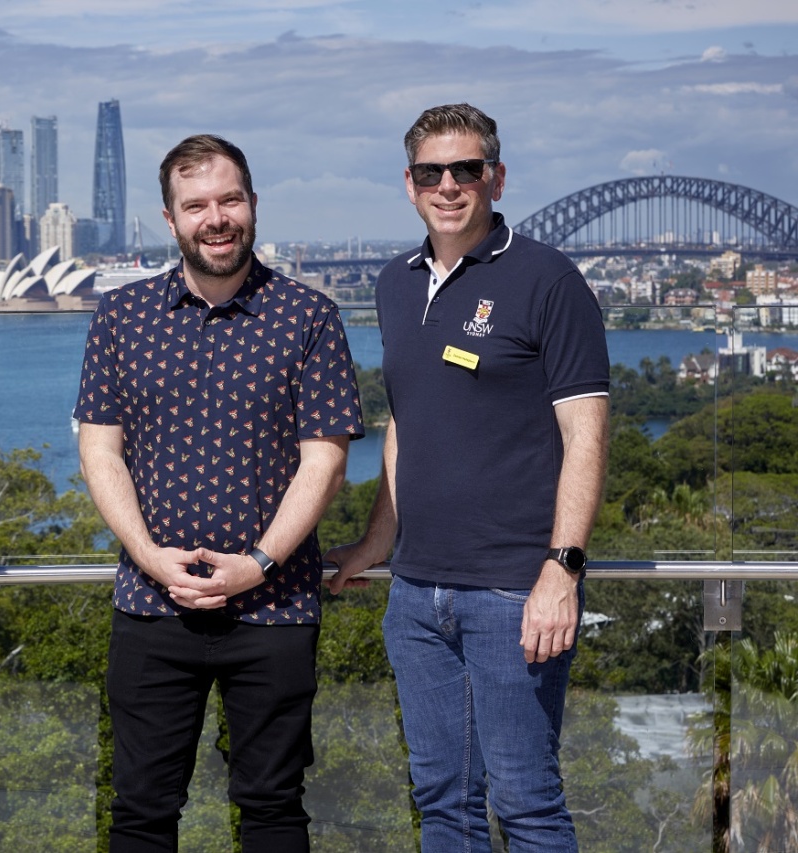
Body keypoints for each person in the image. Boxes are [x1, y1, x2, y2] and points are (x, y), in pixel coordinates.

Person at [325, 103, 610, 850]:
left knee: (526, 802)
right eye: (431, 172)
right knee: (442, 801)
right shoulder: (394, 283)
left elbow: (585, 434)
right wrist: (375, 544)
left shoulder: (548, 279)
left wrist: (562, 569)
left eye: (466, 169)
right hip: (416, 592)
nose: (448, 185)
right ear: (410, 183)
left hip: (514, 590)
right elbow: (406, 424)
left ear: (496, 177)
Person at [75, 134, 364, 851]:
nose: (216, 218)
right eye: (196, 204)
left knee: (273, 807)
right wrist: (149, 556)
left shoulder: (309, 316)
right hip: (151, 604)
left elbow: (325, 462)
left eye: (229, 200)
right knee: (140, 810)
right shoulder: (121, 315)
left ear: (253, 204)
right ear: (169, 218)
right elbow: (99, 451)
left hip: (275, 606)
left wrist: (257, 563)